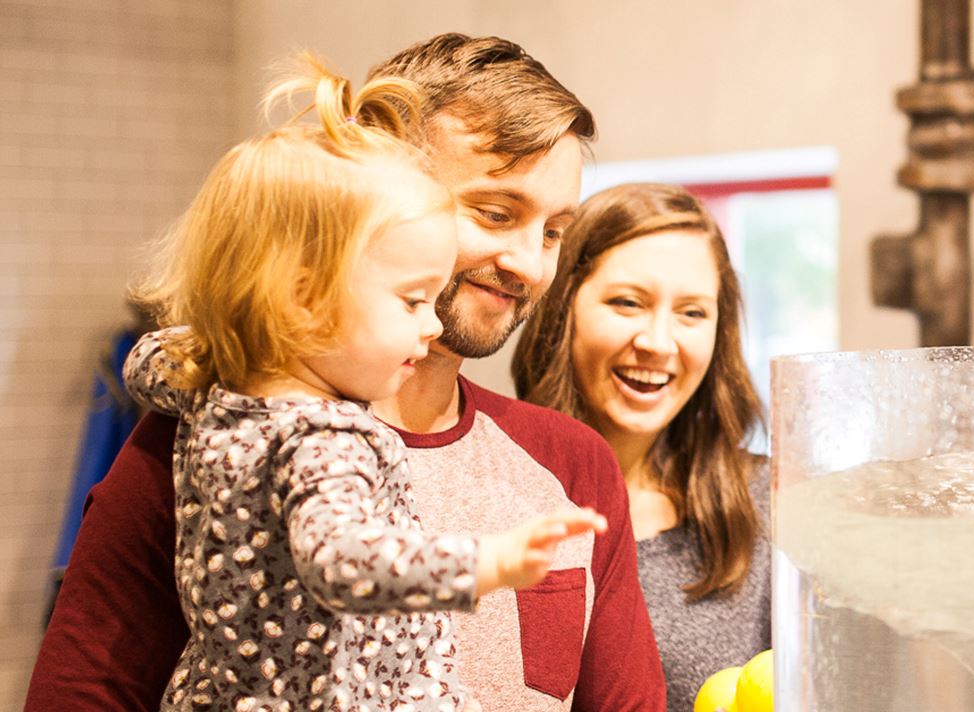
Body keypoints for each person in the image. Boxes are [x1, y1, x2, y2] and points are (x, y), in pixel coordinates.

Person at [28, 34, 667, 712]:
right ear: (377, 190)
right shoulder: (213, 437)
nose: (529, 265)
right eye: (494, 213)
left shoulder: (570, 464)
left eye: (551, 231)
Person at [513, 184, 771, 708]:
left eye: (692, 313)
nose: (657, 341)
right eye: (627, 303)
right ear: (563, 307)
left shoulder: (767, 501)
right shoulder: (490, 483)